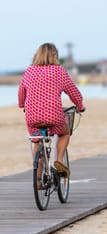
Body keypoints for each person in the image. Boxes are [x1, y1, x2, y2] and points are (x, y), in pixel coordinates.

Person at [18, 43, 85, 177]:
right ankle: (59, 160)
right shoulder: (59, 71)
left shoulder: (29, 71)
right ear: (55, 56)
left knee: (36, 140)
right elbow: (73, 91)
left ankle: (38, 178)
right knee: (65, 133)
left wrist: (22, 105)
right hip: (54, 115)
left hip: (32, 117)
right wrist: (80, 105)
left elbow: (21, 93)